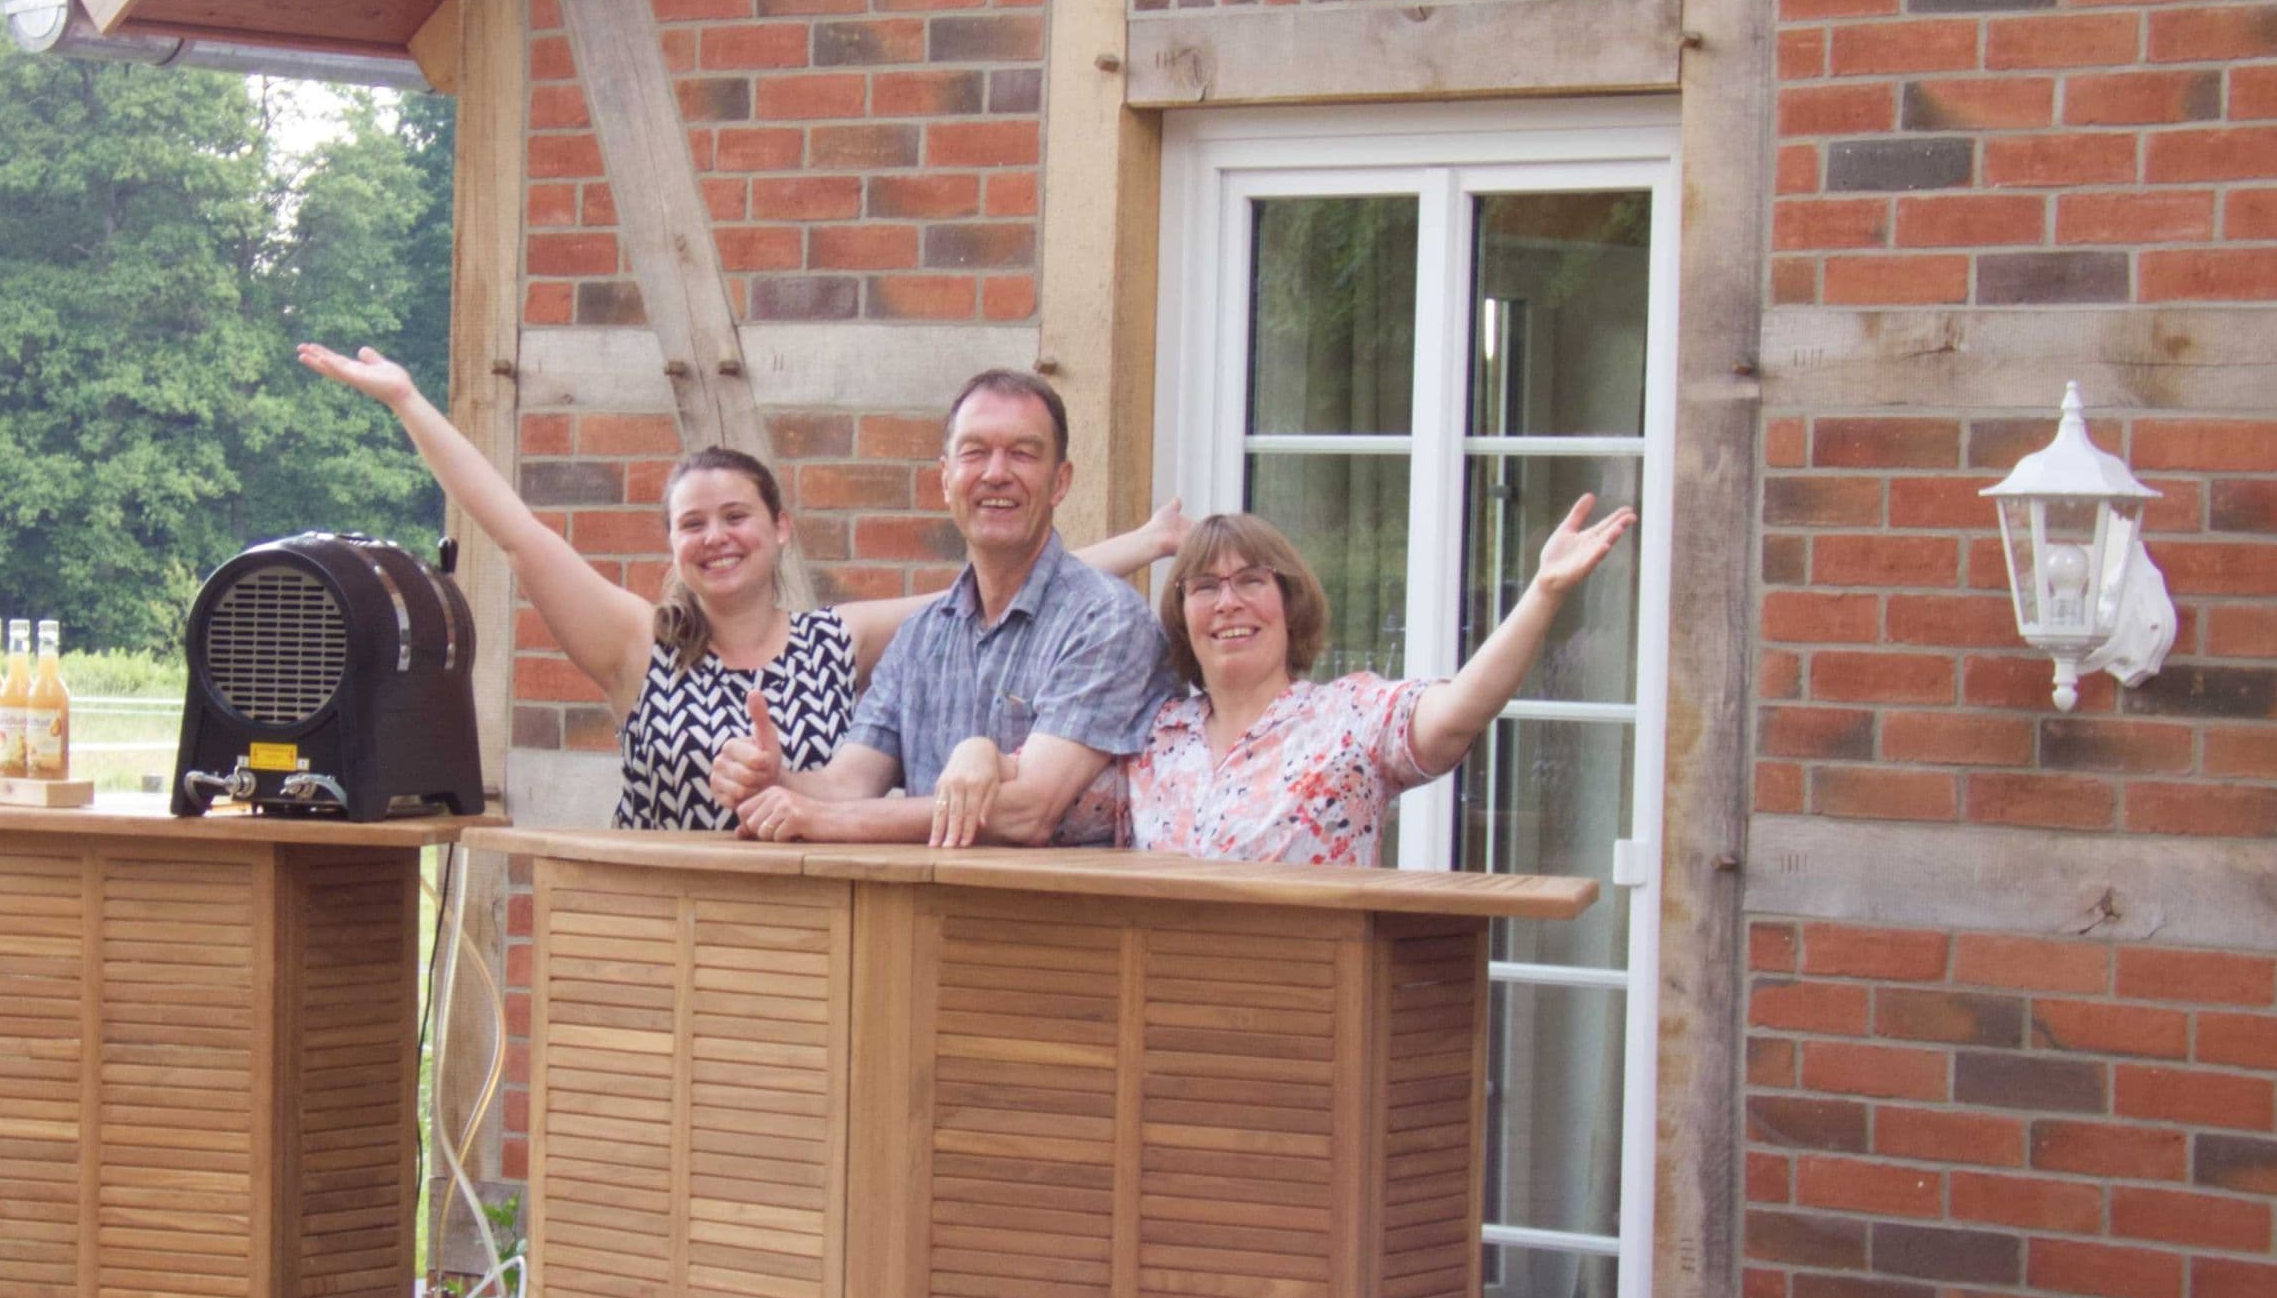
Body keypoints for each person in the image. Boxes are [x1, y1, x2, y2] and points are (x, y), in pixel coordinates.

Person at [295, 345, 1181, 830]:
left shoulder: (842, 641)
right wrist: (411, 403)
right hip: (668, 921)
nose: (716, 538)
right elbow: (521, 538)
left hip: (811, 935)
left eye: (737, 516)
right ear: (672, 546)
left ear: (781, 528)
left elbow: (1008, 587)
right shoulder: (639, 647)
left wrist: (1139, 546)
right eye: (693, 523)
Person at [963, 500, 1631, 865]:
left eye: (1251, 581)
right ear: (1183, 615)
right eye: (1204, 587)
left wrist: (1542, 594)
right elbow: (1033, 797)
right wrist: (978, 753)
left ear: (1289, 602)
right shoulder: (1151, 735)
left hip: (1309, 1029)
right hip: (1169, 1028)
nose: (1228, 603)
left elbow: (1458, 713)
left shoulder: (1350, 714)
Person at [707, 369, 1173, 847]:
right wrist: (774, 782)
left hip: (1060, 920)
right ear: (946, 479)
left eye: (1022, 453)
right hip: (926, 919)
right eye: (975, 452)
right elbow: (844, 787)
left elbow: (1031, 810)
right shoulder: (920, 637)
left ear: (1060, 482)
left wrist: (824, 821)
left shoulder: (1107, 620)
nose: (996, 473)